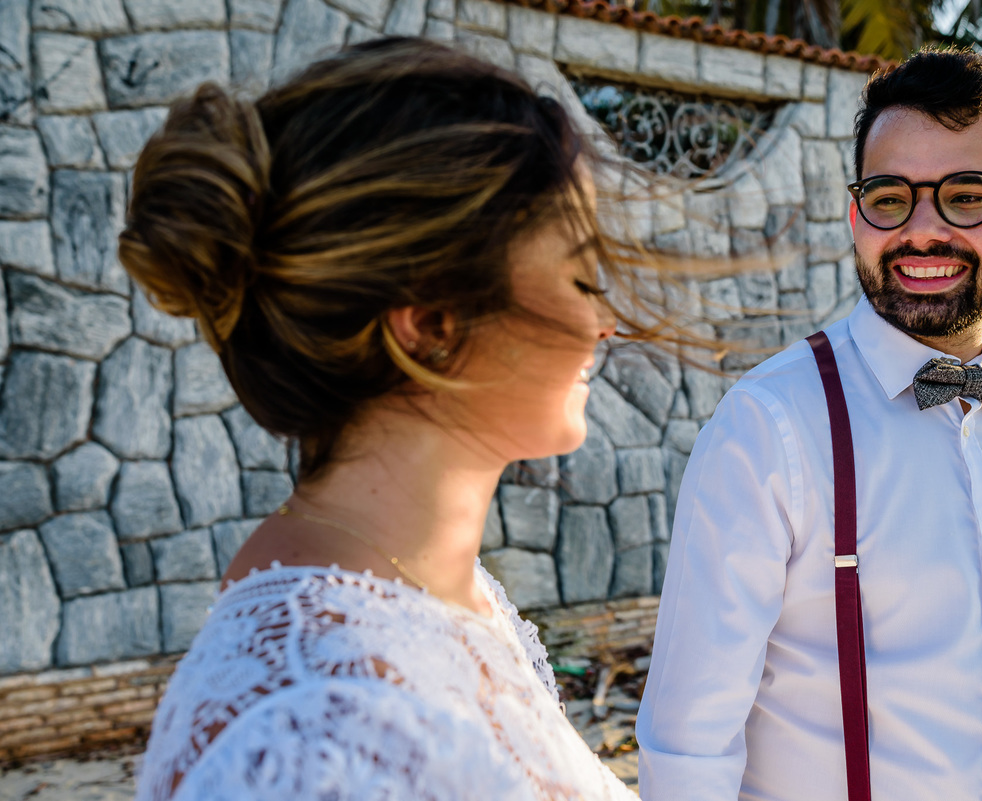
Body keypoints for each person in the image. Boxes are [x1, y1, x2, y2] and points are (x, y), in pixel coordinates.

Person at [121, 37, 662, 800]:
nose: (605, 320)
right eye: (582, 273)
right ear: (431, 326)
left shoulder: (432, 595)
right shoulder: (317, 738)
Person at [637, 49, 982, 800]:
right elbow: (688, 747)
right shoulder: (771, 425)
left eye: (968, 195)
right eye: (890, 196)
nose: (921, 230)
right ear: (856, 209)